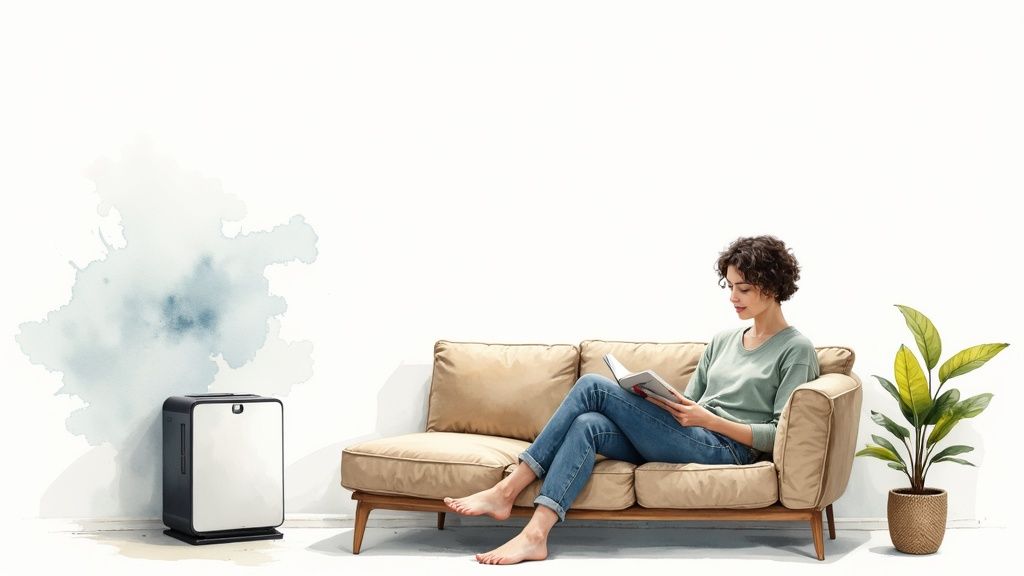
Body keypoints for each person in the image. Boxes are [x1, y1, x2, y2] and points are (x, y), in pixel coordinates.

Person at [443, 235, 821, 565]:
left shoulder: (795, 349)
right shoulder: (723, 340)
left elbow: (777, 434)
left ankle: (506, 490)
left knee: (592, 385)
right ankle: (536, 535)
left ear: (771, 288)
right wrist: (659, 402)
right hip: (691, 434)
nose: (732, 297)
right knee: (587, 425)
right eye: (730, 286)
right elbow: (690, 402)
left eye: (743, 289)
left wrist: (707, 420)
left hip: (727, 447)